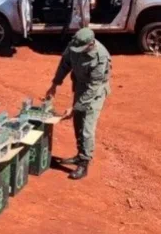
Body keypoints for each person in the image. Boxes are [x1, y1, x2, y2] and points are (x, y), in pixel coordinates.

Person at [45, 27, 111, 181]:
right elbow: (65, 64)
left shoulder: (101, 56)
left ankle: (84, 163)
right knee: (77, 123)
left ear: (90, 44)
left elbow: (93, 87)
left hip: (94, 93)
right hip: (80, 86)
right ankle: (80, 154)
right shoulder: (74, 45)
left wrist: (74, 108)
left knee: (87, 126)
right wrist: (54, 84)